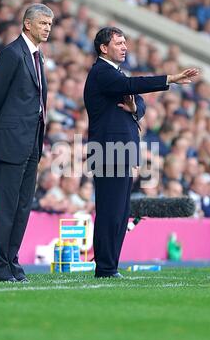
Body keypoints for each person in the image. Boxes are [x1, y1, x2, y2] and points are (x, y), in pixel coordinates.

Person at [84, 26, 198, 278]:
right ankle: (105, 267)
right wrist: (170, 78)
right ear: (104, 48)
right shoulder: (102, 72)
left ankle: (110, 266)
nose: (125, 47)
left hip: (121, 151)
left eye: (125, 42)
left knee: (120, 212)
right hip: (108, 152)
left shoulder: (115, 74)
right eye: (119, 43)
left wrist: (135, 106)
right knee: (110, 211)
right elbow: (131, 84)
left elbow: (139, 99)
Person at [0, 3, 54, 282]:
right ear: (27, 24)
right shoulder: (12, 54)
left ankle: (12, 263)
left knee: (23, 206)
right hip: (10, 141)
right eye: (43, 23)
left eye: (50, 24)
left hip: (32, 143)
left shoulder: (38, 56)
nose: (47, 28)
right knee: (6, 206)